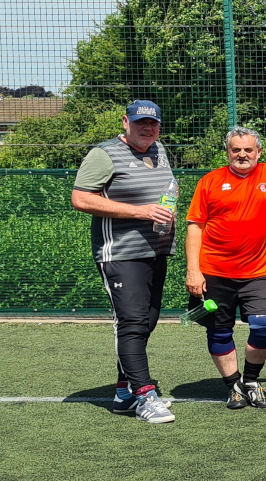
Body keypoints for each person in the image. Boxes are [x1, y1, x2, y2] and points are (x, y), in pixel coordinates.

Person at [185, 126, 266, 411]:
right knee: (219, 332)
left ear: (259, 152)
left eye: (248, 149)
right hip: (213, 272)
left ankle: (251, 382)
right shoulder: (210, 181)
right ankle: (234, 387)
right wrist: (193, 271)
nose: (242, 154)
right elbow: (195, 226)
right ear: (227, 152)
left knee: (265, 327)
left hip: (257, 272)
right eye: (236, 149)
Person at [71, 100, 178, 424]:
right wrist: (141, 211)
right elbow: (80, 198)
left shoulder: (159, 149)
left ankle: (123, 391)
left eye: (153, 123)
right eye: (140, 122)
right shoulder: (103, 154)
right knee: (131, 321)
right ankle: (145, 395)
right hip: (120, 252)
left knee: (147, 320)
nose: (147, 128)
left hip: (155, 251)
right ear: (125, 122)